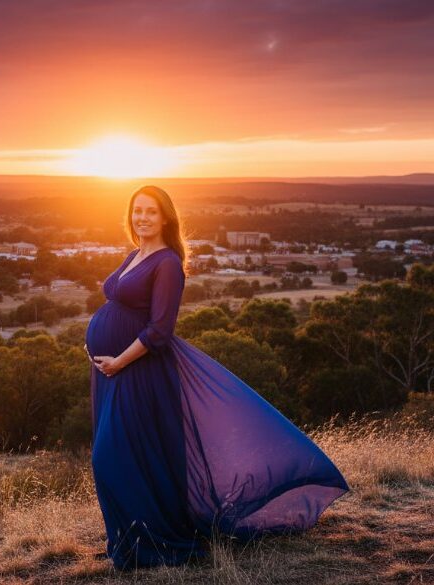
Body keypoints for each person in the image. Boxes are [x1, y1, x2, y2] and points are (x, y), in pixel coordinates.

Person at [84, 185, 349, 571]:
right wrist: (94, 344)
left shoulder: (167, 263)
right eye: (136, 210)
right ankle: (127, 541)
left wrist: (119, 361)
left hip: (138, 373)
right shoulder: (134, 254)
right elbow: (115, 304)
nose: (142, 218)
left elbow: (160, 330)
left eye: (150, 212)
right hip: (112, 372)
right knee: (130, 456)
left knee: (111, 457)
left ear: (166, 218)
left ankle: (156, 542)